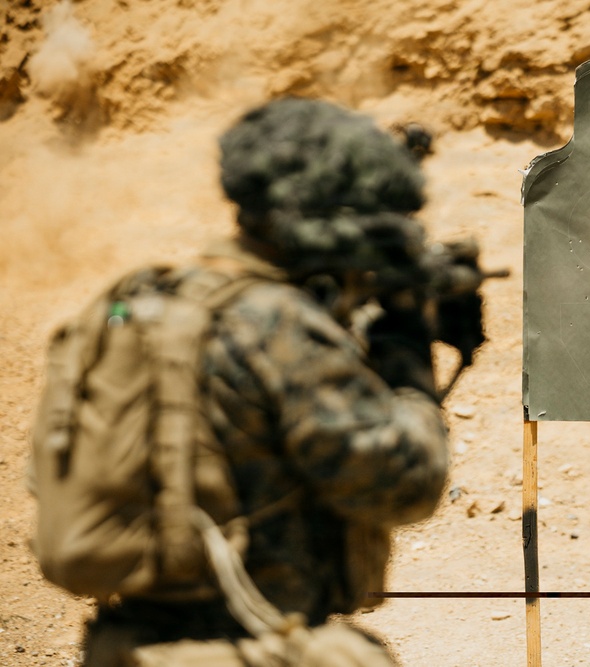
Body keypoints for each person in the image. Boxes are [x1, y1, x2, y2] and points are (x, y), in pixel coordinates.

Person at [80, 97, 454, 666]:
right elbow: (405, 485)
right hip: (246, 650)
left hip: (126, 646)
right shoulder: (277, 325)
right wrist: (404, 342)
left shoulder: (143, 302)